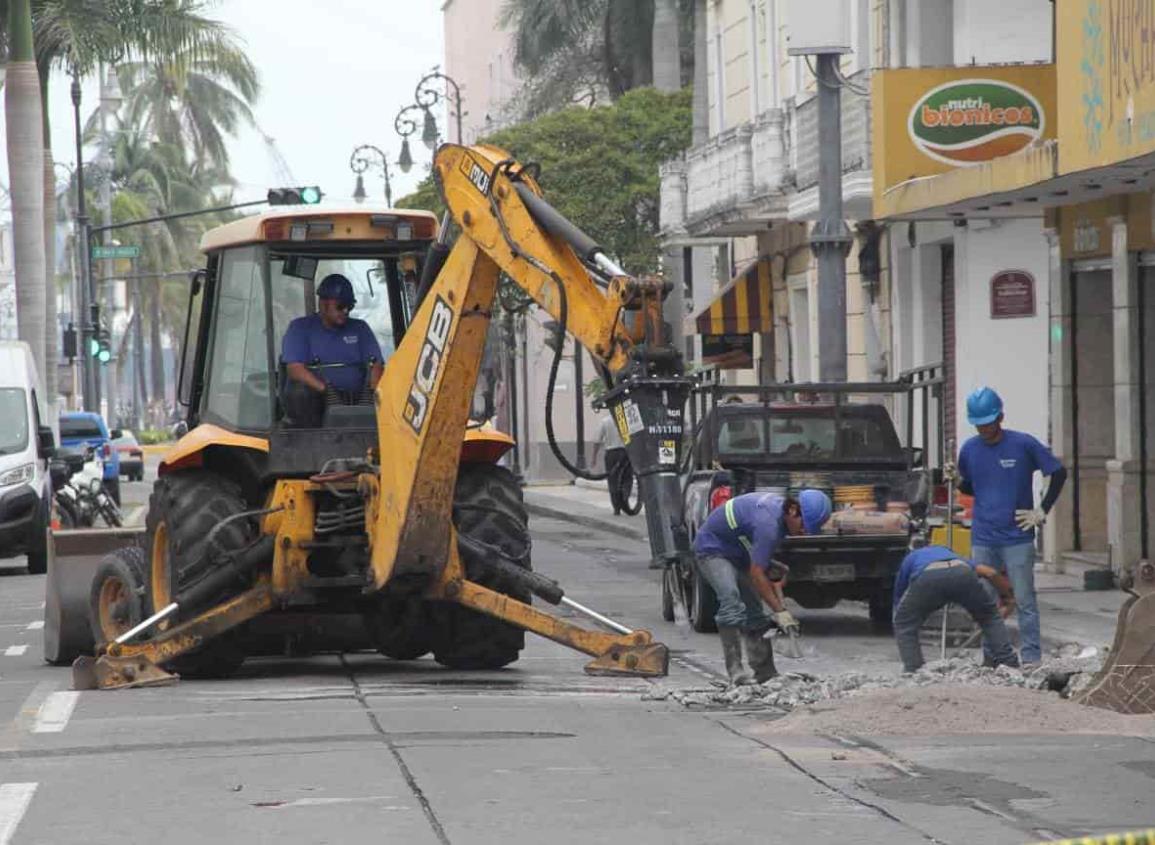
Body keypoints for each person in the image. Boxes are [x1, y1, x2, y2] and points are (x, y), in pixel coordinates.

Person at [947, 387, 1067, 665]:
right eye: (979, 424)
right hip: (984, 537)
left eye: (988, 422)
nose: (984, 429)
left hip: (1017, 537)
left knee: (1024, 599)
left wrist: (1042, 510)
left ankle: (1031, 657)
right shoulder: (970, 450)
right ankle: (993, 657)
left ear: (1000, 416)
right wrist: (953, 479)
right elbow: (972, 486)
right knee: (986, 602)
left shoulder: (1023, 444)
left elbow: (1058, 472)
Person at [692, 489, 833, 685]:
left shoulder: (779, 517)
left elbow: (756, 555)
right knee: (731, 602)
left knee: (755, 612)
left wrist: (774, 567)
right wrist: (780, 611)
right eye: (803, 525)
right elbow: (757, 575)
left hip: (738, 552)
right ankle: (736, 672)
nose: (804, 531)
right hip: (712, 549)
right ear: (793, 510)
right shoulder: (769, 523)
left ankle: (765, 672)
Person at [892, 544, 1019, 673]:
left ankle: (914, 670)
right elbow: (990, 573)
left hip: (928, 578)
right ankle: (1008, 662)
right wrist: (1007, 598)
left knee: (904, 623)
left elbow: (900, 597)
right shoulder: (956, 558)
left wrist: (910, 614)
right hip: (962, 575)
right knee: (989, 617)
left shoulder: (911, 558)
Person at [280, 274, 384, 426]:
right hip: (318, 400)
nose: (346, 311)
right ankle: (310, 438)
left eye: (350, 306)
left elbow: (376, 364)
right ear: (322, 304)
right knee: (299, 392)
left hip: (358, 398)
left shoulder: (360, 328)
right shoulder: (300, 328)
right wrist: (326, 390)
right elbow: (294, 369)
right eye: (340, 306)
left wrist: (374, 391)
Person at [591, 412, 630, 516]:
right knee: (626, 478)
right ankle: (625, 500)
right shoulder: (626, 419)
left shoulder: (605, 421)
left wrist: (594, 457)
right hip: (625, 451)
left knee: (612, 480)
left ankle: (616, 507)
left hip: (611, 454)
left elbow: (597, 440)